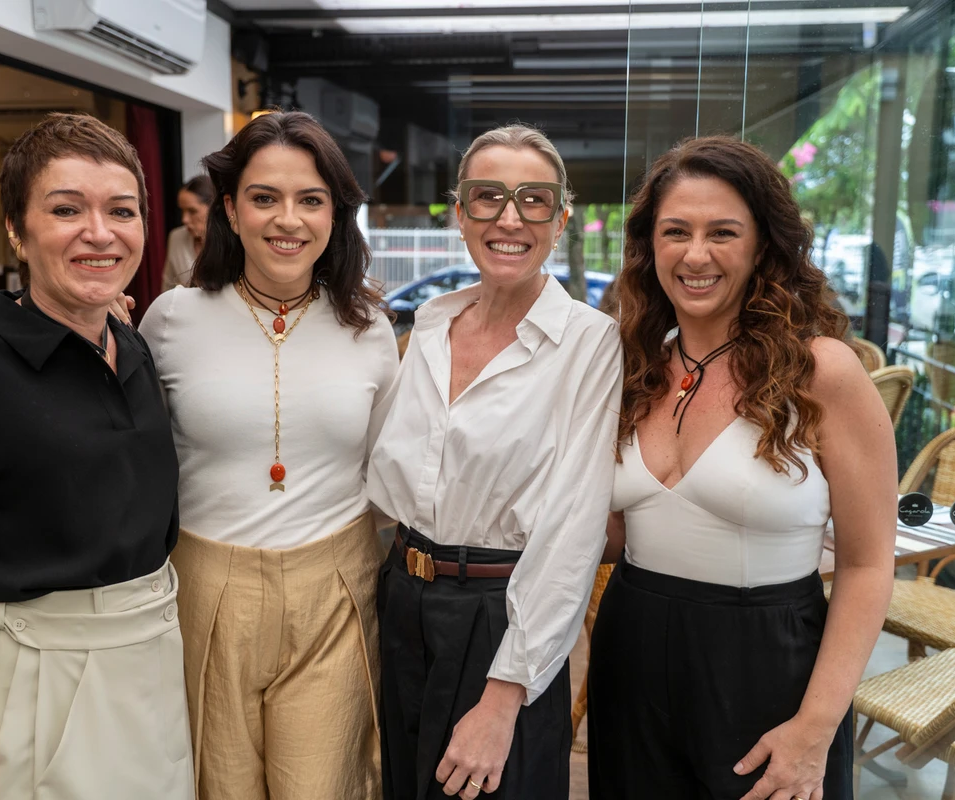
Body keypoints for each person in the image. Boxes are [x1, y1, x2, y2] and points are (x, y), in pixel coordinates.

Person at [0, 113, 193, 800]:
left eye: (122, 210)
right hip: (32, 673)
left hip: (148, 664)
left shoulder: (129, 342)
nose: (101, 232)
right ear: (16, 231)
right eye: (65, 209)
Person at [588, 136, 897, 800]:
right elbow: (612, 533)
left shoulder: (823, 372)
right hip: (631, 653)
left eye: (722, 232)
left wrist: (816, 728)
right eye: (676, 232)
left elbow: (870, 565)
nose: (695, 254)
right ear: (650, 247)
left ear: (763, 246)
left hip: (768, 665)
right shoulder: (630, 366)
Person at [139, 111, 398, 800]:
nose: (289, 220)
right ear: (229, 207)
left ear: (335, 214)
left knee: (326, 785)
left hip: (335, 588)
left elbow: (389, 470)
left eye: (311, 200)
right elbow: (140, 464)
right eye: (265, 197)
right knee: (218, 785)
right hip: (204, 585)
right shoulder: (170, 319)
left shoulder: (371, 330)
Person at [368, 124, 622, 800]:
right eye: (488, 197)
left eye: (534, 199)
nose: (509, 218)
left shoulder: (588, 344)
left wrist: (505, 695)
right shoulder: (428, 324)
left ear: (561, 218)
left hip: (502, 619)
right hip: (402, 600)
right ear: (460, 213)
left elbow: (573, 530)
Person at [162, 174, 214, 291]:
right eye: (182, 210)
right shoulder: (176, 237)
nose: (184, 219)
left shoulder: (232, 241)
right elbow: (168, 287)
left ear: (213, 208)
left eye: (192, 211)